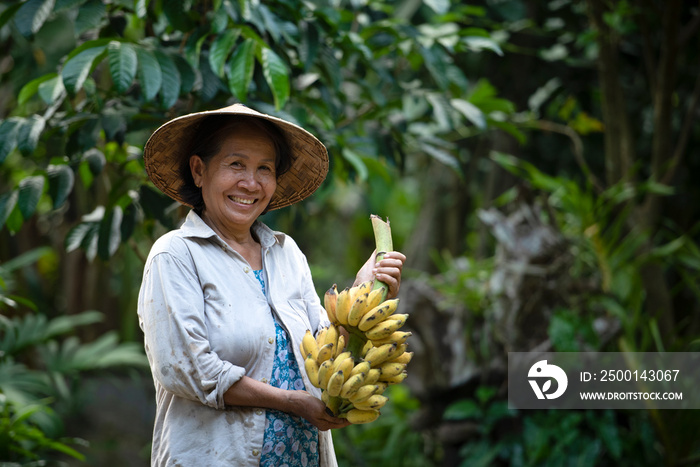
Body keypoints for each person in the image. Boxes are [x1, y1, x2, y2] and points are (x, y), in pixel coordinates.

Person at [137, 104, 406, 467]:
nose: (251, 183)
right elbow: (188, 370)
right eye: (236, 164)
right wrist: (291, 401)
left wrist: (364, 295)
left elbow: (325, 349)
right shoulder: (174, 256)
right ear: (199, 170)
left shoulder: (286, 253)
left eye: (264, 168)